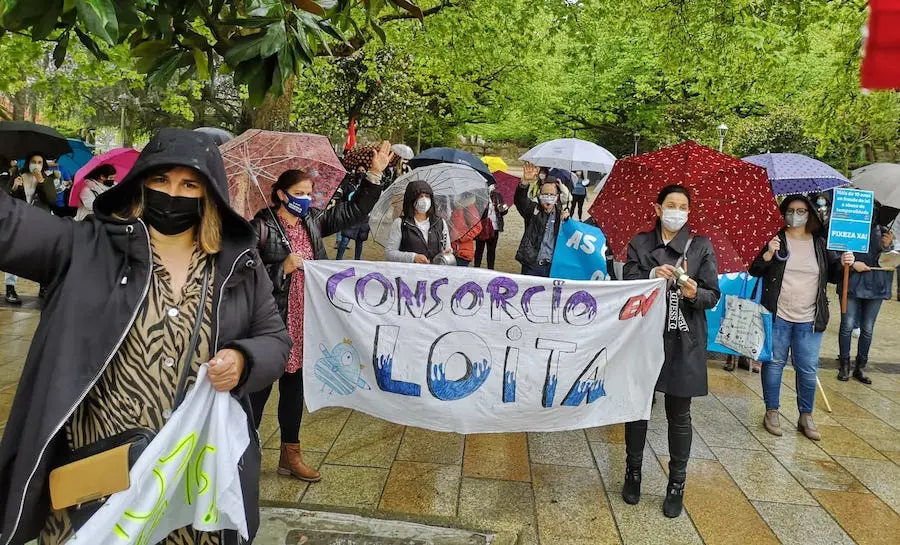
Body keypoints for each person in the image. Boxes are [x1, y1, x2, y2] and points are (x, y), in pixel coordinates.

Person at [0, 129, 291, 545]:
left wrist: (244, 360)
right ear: (140, 183)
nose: (173, 193)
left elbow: (275, 339)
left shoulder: (237, 265)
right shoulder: (84, 247)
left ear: (209, 193)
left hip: (190, 483)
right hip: (99, 481)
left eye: (189, 184)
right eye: (160, 180)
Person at [249, 142, 389, 482]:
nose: (306, 199)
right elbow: (245, 277)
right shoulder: (261, 227)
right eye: (299, 193)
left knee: (294, 390)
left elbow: (352, 213)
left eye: (309, 193)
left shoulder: (311, 221)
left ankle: (290, 455)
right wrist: (281, 267)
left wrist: (375, 175)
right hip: (271, 323)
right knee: (258, 393)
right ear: (281, 195)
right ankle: (243, 452)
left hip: (304, 319)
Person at [621, 185, 720, 518]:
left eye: (683, 207)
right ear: (658, 208)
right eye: (671, 205)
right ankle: (632, 472)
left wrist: (693, 291)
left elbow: (712, 296)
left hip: (684, 339)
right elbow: (626, 282)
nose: (677, 211)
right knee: (638, 408)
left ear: (689, 212)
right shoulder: (640, 242)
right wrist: (651, 275)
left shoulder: (701, 246)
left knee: (680, 414)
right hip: (644, 336)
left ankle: (676, 483)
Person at [749, 195, 851, 441]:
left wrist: (846, 262)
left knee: (807, 368)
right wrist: (767, 254)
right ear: (783, 213)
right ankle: (771, 410)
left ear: (811, 214)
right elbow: (754, 269)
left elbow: (835, 276)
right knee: (774, 365)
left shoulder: (820, 242)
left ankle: (806, 415)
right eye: (791, 210)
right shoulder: (775, 240)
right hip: (778, 315)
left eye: (802, 210)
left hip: (810, 318)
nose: (796, 214)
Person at [834, 206, 895, 384]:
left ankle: (860, 366)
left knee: (867, 328)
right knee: (847, 324)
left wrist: (887, 246)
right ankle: (844, 364)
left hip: (877, 285)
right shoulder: (847, 227)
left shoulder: (885, 231)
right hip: (851, 282)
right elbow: (836, 252)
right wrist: (853, 265)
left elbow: (890, 260)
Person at [384, 180, 452, 263]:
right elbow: (390, 253)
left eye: (427, 196)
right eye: (420, 196)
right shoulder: (401, 223)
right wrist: (413, 257)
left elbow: (446, 248)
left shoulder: (440, 223)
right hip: (409, 272)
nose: (424, 200)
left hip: (434, 273)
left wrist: (446, 254)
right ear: (411, 199)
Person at [514, 175, 569, 276]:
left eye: (552, 194)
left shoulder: (561, 215)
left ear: (557, 197)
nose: (548, 197)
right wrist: (524, 183)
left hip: (552, 267)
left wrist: (567, 221)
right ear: (539, 195)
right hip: (532, 265)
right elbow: (520, 201)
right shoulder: (532, 210)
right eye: (545, 194)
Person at [474, 184, 508, 270]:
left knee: (491, 250)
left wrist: (503, 209)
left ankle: (490, 269)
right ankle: (476, 268)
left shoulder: (497, 195)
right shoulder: (479, 195)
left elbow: (503, 211)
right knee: (479, 249)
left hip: (494, 227)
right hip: (482, 226)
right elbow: (477, 210)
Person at [450, 193, 482, 266]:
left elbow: (477, 226)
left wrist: (462, 237)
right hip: (447, 251)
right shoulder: (444, 203)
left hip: (462, 251)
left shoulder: (467, 204)